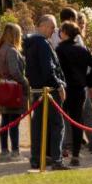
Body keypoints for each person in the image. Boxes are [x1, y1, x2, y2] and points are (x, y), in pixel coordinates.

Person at [56, 17, 92, 167]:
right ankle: (76, 154)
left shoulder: (59, 49)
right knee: (78, 121)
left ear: (64, 32)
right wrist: (87, 79)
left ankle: (62, 150)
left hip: (65, 88)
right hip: (79, 88)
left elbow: (57, 69)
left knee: (61, 120)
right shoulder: (82, 49)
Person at [24, 14, 67, 170]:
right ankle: (57, 159)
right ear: (41, 26)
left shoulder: (30, 43)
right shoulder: (42, 44)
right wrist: (59, 85)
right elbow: (48, 69)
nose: (54, 30)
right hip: (49, 91)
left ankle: (36, 157)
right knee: (57, 125)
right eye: (51, 26)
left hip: (37, 90)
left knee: (38, 125)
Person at [0, 22, 28, 160]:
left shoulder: (1, 49)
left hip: (3, 87)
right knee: (14, 122)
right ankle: (15, 151)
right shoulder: (12, 51)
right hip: (13, 89)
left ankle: (4, 150)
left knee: (5, 121)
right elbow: (14, 71)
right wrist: (24, 81)